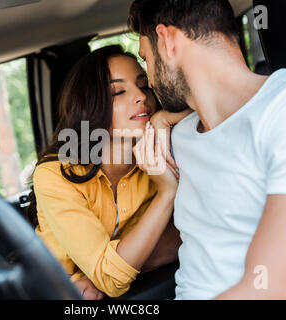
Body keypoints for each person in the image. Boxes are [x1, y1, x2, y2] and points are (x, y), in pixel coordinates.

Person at [128, 0, 286, 299]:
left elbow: (274, 288)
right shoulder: (181, 134)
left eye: (146, 59)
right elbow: (203, 239)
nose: (149, 81)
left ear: (168, 41)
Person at [26, 45, 182, 299]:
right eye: (118, 91)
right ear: (90, 107)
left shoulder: (164, 149)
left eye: (144, 85)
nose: (141, 97)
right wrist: (166, 194)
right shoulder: (55, 173)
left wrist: (164, 118)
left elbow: (190, 231)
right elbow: (110, 278)